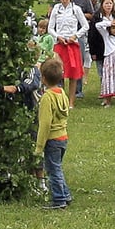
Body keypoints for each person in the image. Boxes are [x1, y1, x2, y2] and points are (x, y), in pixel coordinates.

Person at [35, 57, 72, 208]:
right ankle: (65, 194)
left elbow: (45, 124)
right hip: (63, 136)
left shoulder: (47, 97)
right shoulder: (62, 93)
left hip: (52, 139)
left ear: (43, 78)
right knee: (57, 167)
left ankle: (59, 199)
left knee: (53, 170)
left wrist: (39, 146)